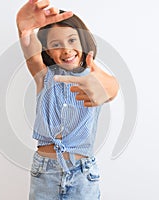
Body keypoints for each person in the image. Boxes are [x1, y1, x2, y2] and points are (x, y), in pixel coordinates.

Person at [16, 0, 119, 199]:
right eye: (56, 44)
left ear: (83, 41)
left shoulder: (94, 76)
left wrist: (108, 89)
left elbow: (112, 87)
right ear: (47, 51)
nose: (66, 50)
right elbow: (30, 53)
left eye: (72, 40)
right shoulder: (43, 76)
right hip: (45, 173)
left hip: (83, 174)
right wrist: (24, 31)